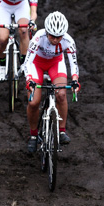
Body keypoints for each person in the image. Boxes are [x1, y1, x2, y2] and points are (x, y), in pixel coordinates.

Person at [24, 11, 80, 153]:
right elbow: (27, 63)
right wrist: (29, 79)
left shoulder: (68, 41)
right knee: (33, 102)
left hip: (56, 64)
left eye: (59, 37)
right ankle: (33, 135)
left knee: (61, 94)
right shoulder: (38, 38)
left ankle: (61, 131)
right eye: (52, 36)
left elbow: (73, 65)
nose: (55, 40)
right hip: (36, 64)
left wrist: (75, 80)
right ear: (47, 32)